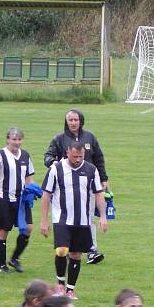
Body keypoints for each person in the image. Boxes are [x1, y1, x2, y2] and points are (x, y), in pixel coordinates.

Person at [40, 141, 107, 299]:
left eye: (81, 156)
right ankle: (60, 285)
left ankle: (70, 289)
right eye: (75, 156)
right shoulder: (56, 169)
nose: (78, 159)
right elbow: (46, 195)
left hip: (82, 220)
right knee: (62, 250)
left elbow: (98, 194)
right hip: (61, 218)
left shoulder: (91, 170)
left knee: (76, 255)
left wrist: (103, 216)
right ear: (67, 153)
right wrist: (43, 220)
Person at [44, 108, 110, 265]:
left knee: (87, 216)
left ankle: (92, 250)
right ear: (66, 121)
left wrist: (104, 178)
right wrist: (52, 162)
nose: (73, 123)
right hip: (65, 186)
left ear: (81, 121)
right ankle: (69, 247)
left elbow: (98, 158)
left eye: (76, 120)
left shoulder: (90, 137)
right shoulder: (59, 139)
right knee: (67, 217)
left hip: (87, 184)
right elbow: (48, 156)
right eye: (70, 120)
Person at [0, 127, 36, 274]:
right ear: (8, 139)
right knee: (4, 231)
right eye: (13, 139)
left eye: (19, 139)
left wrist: (31, 191)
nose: (16, 142)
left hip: (21, 200)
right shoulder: (0, 155)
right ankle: (2, 265)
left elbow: (28, 177)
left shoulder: (25, 156)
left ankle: (14, 258)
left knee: (28, 228)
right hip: (3, 199)